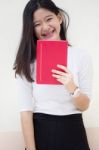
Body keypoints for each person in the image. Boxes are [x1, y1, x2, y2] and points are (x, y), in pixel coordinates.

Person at [13, 0, 93, 150]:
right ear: (31, 29)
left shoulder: (81, 56)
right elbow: (25, 112)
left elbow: (84, 106)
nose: (45, 27)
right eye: (37, 24)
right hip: (41, 132)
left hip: (74, 130)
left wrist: (72, 87)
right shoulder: (27, 62)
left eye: (49, 19)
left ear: (59, 18)